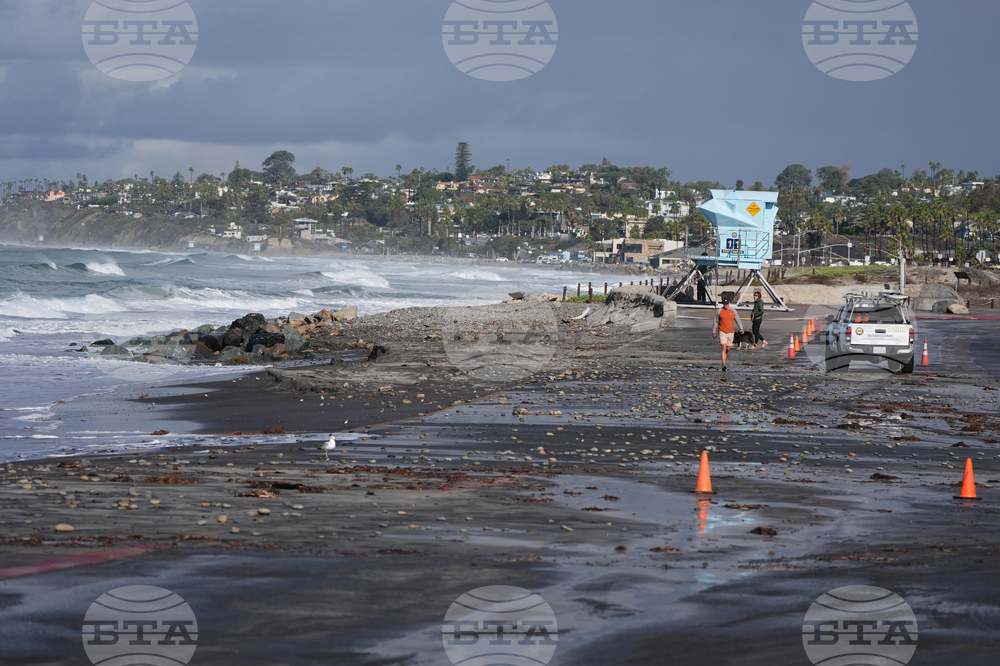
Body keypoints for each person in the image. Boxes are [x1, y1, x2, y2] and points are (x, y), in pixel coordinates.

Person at [712, 297, 744, 372]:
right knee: (724, 347)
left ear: (729, 303)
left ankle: (725, 363)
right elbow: (715, 321)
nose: (726, 305)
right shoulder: (719, 311)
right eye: (724, 304)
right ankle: (723, 364)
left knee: (728, 348)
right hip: (722, 331)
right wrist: (714, 331)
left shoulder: (733, 311)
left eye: (727, 303)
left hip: (731, 332)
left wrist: (741, 328)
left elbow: (738, 320)